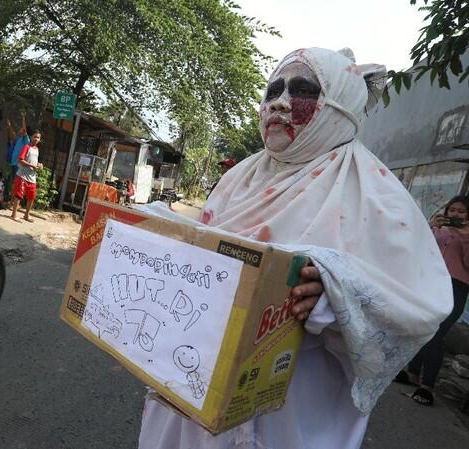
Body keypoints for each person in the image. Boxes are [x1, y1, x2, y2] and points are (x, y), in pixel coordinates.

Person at [138, 47, 452, 449]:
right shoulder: (241, 177)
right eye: (273, 91)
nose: (280, 104)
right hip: (193, 377)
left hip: (292, 407)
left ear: (339, 104)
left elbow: (420, 305)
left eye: (302, 90)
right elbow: (210, 252)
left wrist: (334, 288)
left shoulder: (373, 192)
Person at [396, 196, 469, 405]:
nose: (455, 214)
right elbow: (418, 249)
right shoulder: (439, 231)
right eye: (451, 210)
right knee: (422, 327)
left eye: (461, 211)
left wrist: (464, 236)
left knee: (436, 334)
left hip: (456, 288)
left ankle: (427, 387)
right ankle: (412, 373)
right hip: (431, 284)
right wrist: (429, 228)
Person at [10, 129, 42, 222]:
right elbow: (20, 159)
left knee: (31, 197)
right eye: (35, 137)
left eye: (38, 137)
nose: (36, 139)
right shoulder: (26, 147)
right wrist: (32, 165)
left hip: (32, 177)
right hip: (22, 175)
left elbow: (34, 161)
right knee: (18, 196)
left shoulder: (37, 149)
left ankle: (26, 215)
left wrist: (39, 165)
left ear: (40, 139)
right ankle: (14, 214)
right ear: (31, 137)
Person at [5, 111, 29, 197]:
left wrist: (23, 118)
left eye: (22, 130)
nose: (20, 130)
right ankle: (11, 200)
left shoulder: (26, 140)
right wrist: (9, 126)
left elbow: (24, 129)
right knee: (12, 182)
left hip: (19, 165)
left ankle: (13, 201)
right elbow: (12, 135)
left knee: (16, 183)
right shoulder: (19, 139)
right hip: (13, 163)